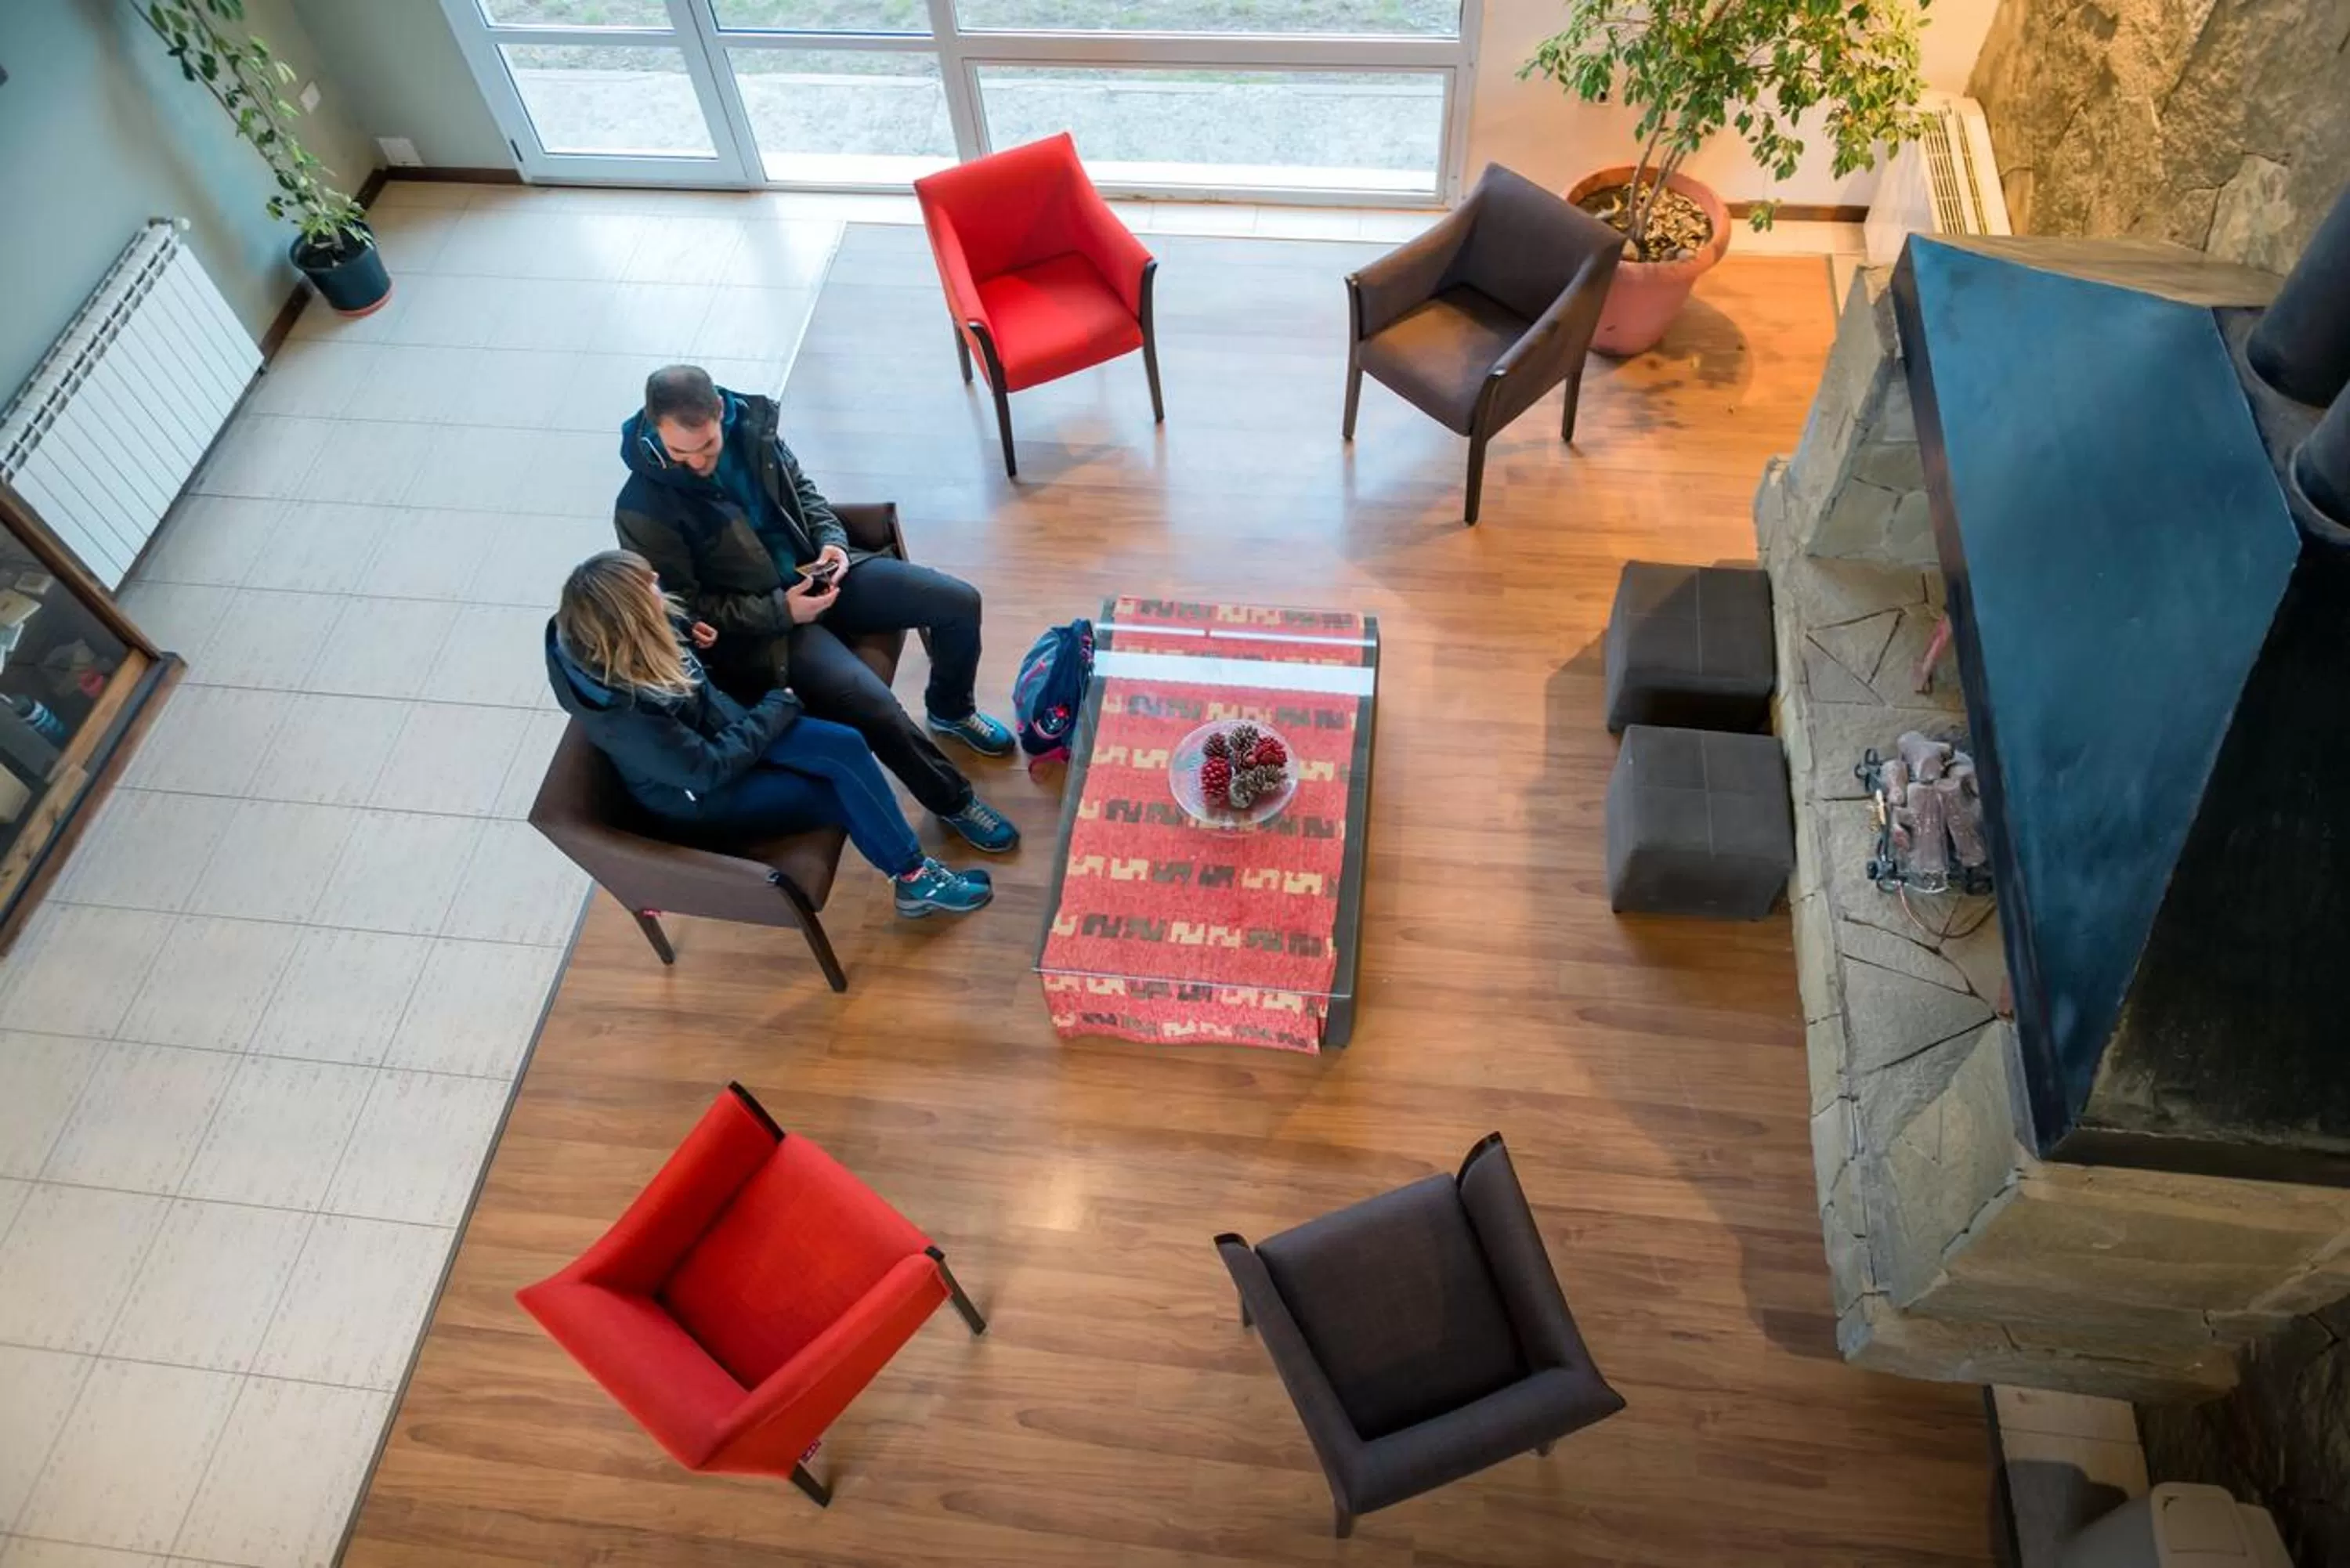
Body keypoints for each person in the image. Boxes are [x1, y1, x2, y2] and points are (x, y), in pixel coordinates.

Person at [613, 364, 1019, 854]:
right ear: (654, 428)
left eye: (708, 448)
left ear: (721, 411)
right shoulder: (641, 507)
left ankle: (952, 710)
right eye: (681, 453)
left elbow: (804, 491)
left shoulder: (753, 429)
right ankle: (952, 801)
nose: (698, 463)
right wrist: (783, 610)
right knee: (874, 707)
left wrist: (833, 543)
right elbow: (686, 610)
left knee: (958, 603)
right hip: (771, 628)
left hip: (823, 574)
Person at [545, 550, 992, 919]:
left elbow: (687, 694)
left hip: (725, 728)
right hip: (709, 792)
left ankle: (912, 874)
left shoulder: (614, 646)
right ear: (632, 624)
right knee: (838, 791)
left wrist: (682, 629)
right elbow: (705, 770)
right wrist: (776, 706)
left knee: (846, 745)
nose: (658, 580)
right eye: (649, 589)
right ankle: (913, 879)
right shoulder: (627, 716)